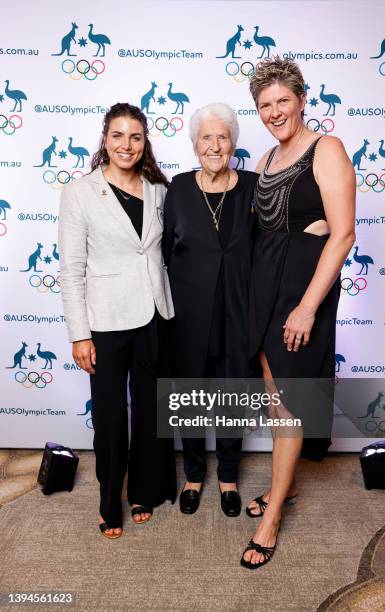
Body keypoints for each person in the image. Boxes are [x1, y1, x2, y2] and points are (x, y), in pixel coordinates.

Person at [240, 57, 355, 569]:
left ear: (303, 99)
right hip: (265, 289)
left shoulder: (325, 148)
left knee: (287, 400)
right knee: (272, 395)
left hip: (301, 293)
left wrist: (307, 307)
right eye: (265, 105)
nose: (274, 111)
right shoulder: (266, 159)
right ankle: (282, 488)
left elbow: (344, 232)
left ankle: (272, 519)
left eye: (283, 100)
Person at [59, 103, 176, 539]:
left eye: (135, 137)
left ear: (145, 142)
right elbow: (71, 268)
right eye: (118, 135)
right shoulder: (80, 192)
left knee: (150, 411)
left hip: (154, 316)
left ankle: (144, 489)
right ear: (104, 139)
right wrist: (79, 334)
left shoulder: (159, 189)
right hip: (104, 321)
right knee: (110, 417)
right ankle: (111, 501)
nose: (126, 145)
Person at [162, 103, 258, 517]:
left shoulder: (255, 185)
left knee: (233, 396)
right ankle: (195, 475)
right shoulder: (179, 189)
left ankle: (229, 477)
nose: (215, 145)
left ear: (234, 143)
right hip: (189, 318)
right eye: (207, 137)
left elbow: (274, 246)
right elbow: (164, 252)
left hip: (239, 314)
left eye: (223, 137)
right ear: (195, 144)